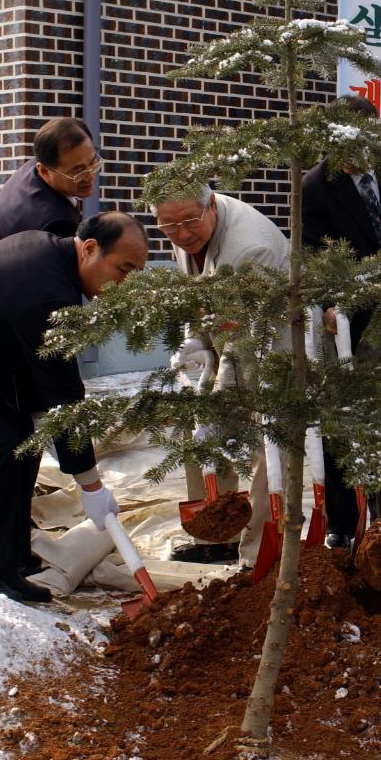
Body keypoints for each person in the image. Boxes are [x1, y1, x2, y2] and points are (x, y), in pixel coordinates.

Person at [0, 211, 149, 603]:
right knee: (1, 444)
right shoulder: (48, 292)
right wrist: (91, 485)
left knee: (22, 435)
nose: (126, 285)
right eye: (123, 269)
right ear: (90, 249)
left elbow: (37, 373)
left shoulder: (48, 254)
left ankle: (11, 556)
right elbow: (63, 393)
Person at [302, 95, 381, 549]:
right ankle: (342, 520)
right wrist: (330, 304)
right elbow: (311, 255)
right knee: (343, 417)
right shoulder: (315, 186)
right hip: (345, 319)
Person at [154, 184, 289, 565]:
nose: (181, 235)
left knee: (271, 440)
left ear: (211, 205)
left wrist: (219, 397)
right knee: (197, 425)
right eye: (168, 226)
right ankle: (217, 532)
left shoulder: (251, 248)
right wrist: (193, 340)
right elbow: (192, 297)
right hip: (226, 336)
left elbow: (246, 336)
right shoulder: (185, 225)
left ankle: (260, 548)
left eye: (188, 222)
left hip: (270, 346)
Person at [0, 117, 102, 250]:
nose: (90, 176)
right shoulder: (55, 222)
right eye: (78, 171)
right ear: (44, 171)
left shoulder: (33, 169)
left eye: (92, 162)